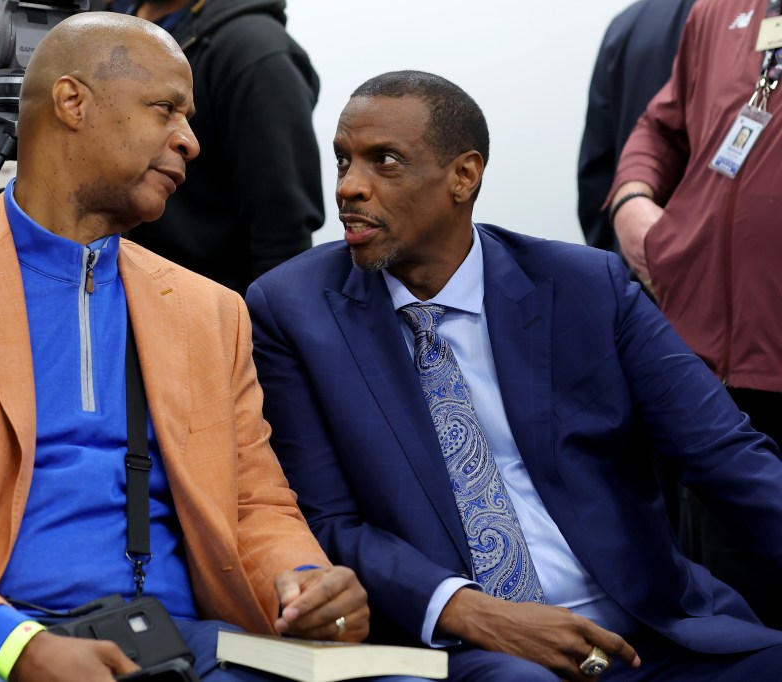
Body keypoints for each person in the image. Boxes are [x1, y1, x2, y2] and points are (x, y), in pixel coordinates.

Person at [0, 13, 370, 682]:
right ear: (72, 102)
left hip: (191, 646)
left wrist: (304, 582)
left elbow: (256, 508)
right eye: (167, 110)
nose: (190, 141)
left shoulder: (212, 312)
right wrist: (17, 645)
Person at [245, 70, 782, 681]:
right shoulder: (293, 311)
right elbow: (328, 524)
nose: (349, 188)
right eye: (343, 161)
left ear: (464, 176)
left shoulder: (587, 288)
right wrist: (471, 612)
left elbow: (727, 456)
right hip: (472, 649)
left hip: (641, 633)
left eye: (384, 162)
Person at [609, 0, 782, 629]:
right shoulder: (719, 10)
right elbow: (661, 126)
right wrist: (631, 201)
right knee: (734, 617)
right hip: (711, 375)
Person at [106, 0, 323, 294]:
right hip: (110, 294)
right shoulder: (105, 21)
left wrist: (260, 334)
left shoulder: (255, 51)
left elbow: (282, 234)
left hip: (201, 313)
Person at [576, 0, 696, 256]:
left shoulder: (625, 26)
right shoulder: (745, 22)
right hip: (713, 265)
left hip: (634, 261)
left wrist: (615, 267)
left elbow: (595, 175)